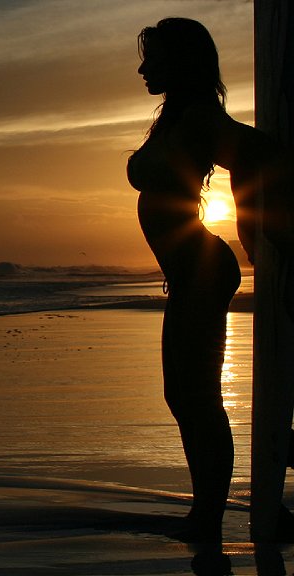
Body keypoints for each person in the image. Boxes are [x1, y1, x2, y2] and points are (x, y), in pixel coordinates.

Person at [128, 17, 288, 545]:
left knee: (195, 396)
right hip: (188, 271)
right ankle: (205, 512)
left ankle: (208, 518)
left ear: (181, 60)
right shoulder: (176, 116)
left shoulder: (198, 116)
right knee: (185, 395)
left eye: (153, 57)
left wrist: (249, 223)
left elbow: (260, 152)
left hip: (200, 269)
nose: (144, 67)